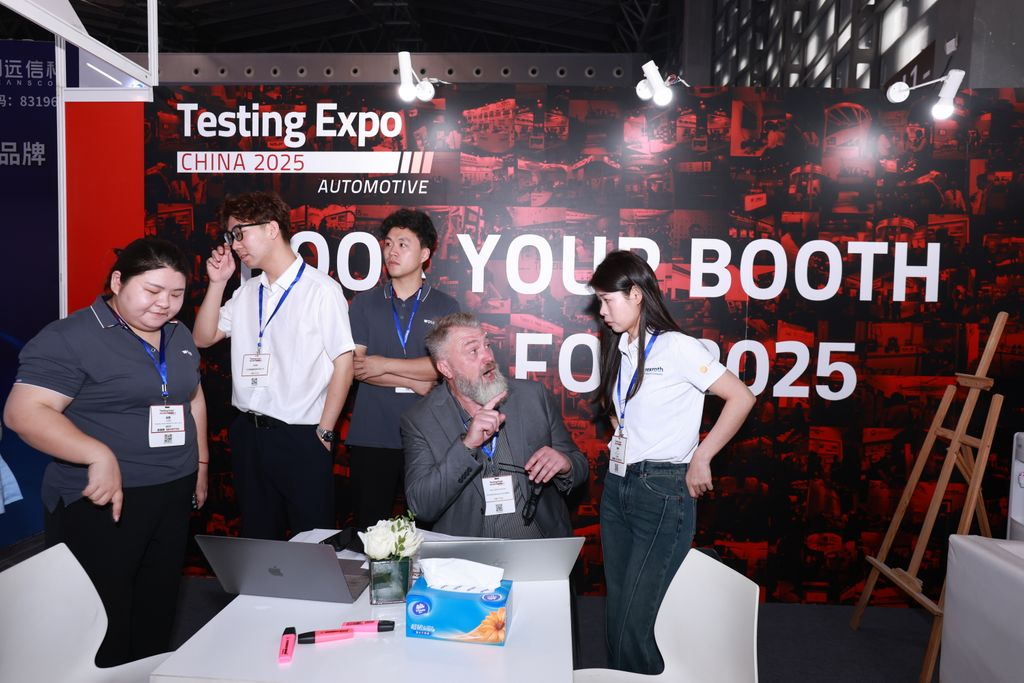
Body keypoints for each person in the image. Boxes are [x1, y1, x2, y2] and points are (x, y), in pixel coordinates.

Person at [3, 238, 208, 666]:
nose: (165, 304)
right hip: (102, 498)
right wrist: (97, 453)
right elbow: (24, 412)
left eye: (176, 294)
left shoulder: (178, 333)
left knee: (157, 606)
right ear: (117, 282)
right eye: (152, 290)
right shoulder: (69, 337)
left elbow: (191, 398)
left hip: (172, 490)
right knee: (100, 620)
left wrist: (201, 463)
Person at [588, 250, 755, 675]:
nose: (601, 311)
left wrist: (702, 456)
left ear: (636, 294)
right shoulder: (619, 347)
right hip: (618, 486)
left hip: (662, 491)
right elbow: (622, 410)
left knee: (638, 620)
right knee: (617, 608)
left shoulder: (678, 347)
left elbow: (741, 397)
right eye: (599, 302)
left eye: (607, 300)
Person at [193, 191, 354, 539]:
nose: (234, 245)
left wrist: (325, 432)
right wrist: (217, 283)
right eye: (230, 236)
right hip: (248, 434)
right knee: (258, 538)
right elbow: (203, 338)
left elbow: (344, 362)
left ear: (271, 228)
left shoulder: (320, 290)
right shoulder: (247, 291)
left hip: (301, 435)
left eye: (240, 233)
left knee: (313, 540)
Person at [401, 312, 588, 538]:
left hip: (538, 544)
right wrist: (467, 446)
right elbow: (422, 506)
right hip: (469, 553)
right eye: (473, 350)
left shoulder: (532, 396)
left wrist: (566, 464)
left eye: (487, 345)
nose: (488, 356)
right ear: (446, 369)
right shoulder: (421, 420)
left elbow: (579, 466)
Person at [346, 209, 459, 531]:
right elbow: (356, 367)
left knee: (429, 532)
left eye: (403, 244)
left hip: (429, 436)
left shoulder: (446, 306)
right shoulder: (364, 303)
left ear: (425, 254)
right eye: (388, 243)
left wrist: (382, 364)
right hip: (372, 434)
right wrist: (415, 382)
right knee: (370, 532)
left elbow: (443, 368)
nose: (392, 251)